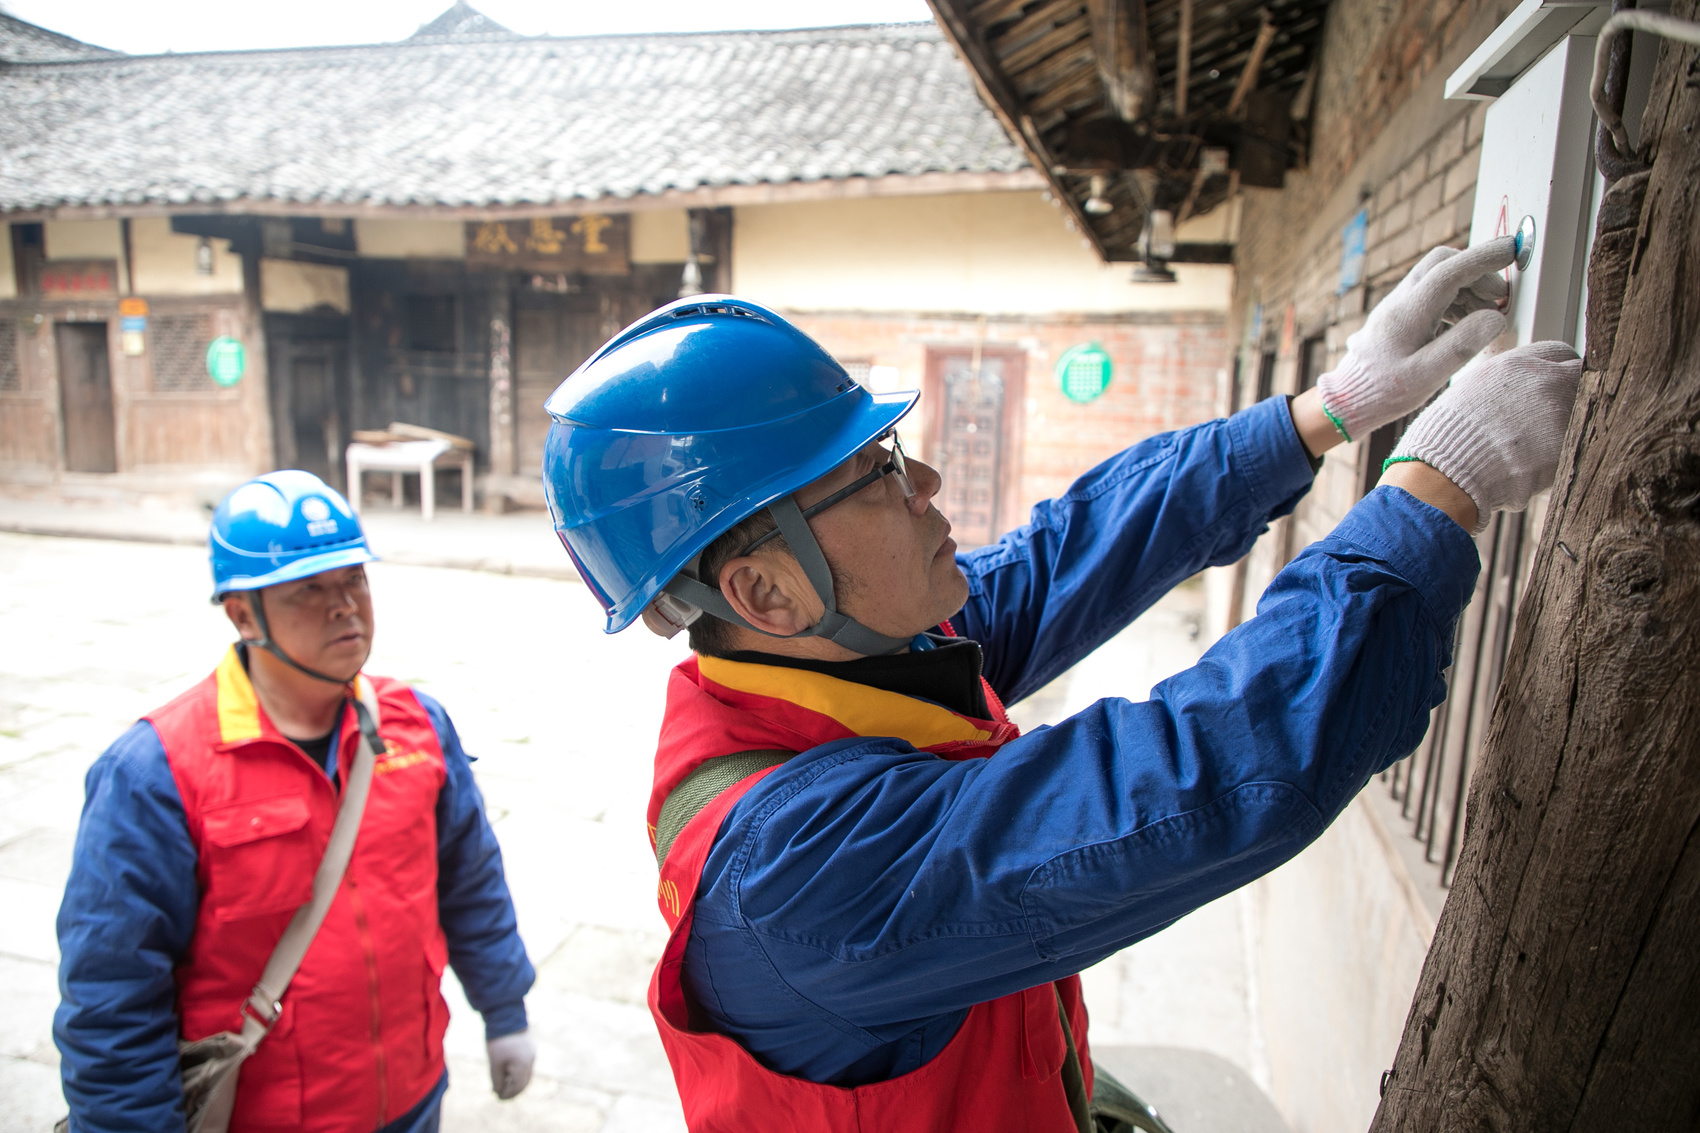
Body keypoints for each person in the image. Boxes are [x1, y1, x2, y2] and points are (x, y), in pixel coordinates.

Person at [539, 237, 1583, 1132]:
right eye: (876, 475)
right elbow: (1201, 773)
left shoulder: (842, 659)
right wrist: (1433, 487)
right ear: (767, 590)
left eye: (892, 449)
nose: (925, 483)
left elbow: (1071, 551)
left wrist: (1325, 410)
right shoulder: (800, 873)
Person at [55, 471, 537, 1133]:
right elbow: (112, 995)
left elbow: (470, 881)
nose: (344, 606)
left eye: (354, 579)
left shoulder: (418, 725)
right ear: (242, 614)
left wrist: (505, 1009)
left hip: (411, 1096)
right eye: (308, 588)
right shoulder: (156, 773)